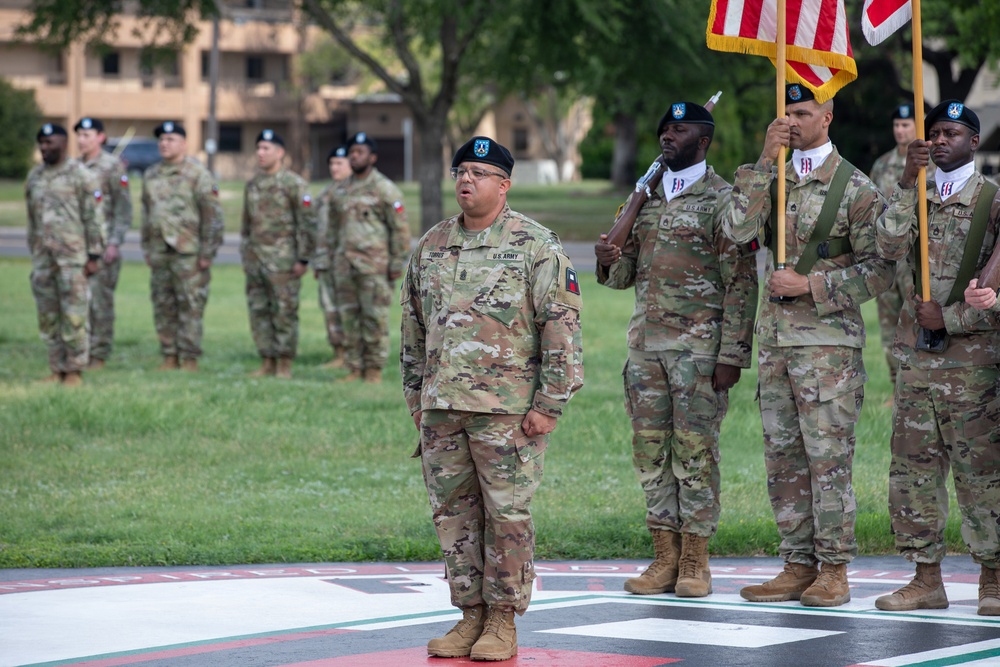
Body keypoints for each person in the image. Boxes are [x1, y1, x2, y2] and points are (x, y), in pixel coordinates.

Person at [401, 137, 583, 660]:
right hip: (442, 409)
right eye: (461, 170)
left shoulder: (535, 246)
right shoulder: (432, 244)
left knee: (506, 515)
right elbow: (413, 328)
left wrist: (549, 405)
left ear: (504, 184)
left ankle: (502, 620)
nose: (466, 180)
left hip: (508, 411)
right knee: (453, 516)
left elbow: (562, 329)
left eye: (480, 172)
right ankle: (469, 616)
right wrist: (416, 398)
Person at [721, 84, 894, 607]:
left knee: (828, 462)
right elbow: (734, 232)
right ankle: (796, 564)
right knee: (784, 461)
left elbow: (882, 269)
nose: (792, 121)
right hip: (777, 344)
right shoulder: (770, 176)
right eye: (786, 113)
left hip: (828, 348)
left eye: (802, 112)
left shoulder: (856, 188)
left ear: (828, 115)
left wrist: (812, 286)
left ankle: (834, 569)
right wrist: (761, 158)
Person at [594, 102, 758, 598]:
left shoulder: (725, 200)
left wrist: (732, 355)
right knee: (650, 453)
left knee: (695, 454)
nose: (668, 134)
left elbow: (742, 282)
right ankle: (663, 557)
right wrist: (607, 262)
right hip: (646, 350)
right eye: (664, 127)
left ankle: (695, 561)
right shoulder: (643, 198)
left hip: (699, 353)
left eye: (680, 128)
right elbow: (623, 277)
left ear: (703, 141)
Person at [872, 100, 1000, 616]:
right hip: (917, 363)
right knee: (913, 472)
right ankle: (926, 579)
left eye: (952, 133)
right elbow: (885, 243)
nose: (941, 140)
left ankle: (992, 579)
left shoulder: (992, 200)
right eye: (935, 133)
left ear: (973, 141)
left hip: (973, 364)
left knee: (982, 473)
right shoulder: (915, 193)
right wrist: (906, 181)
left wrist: (951, 319)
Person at [25, 123, 105, 386]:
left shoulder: (80, 175)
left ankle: (74, 370)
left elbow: (94, 218)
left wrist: (94, 255)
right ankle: (55, 367)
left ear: (63, 143)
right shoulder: (35, 177)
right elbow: (32, 220)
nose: (45, 148)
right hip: (43, 259)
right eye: (42, 143)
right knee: (48, 316)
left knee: (74, 314)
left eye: (50, 142)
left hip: (73, 259)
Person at [140, 121, 223, 372]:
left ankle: (189, 358)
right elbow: (146, 213)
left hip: (189, 252)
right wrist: (146, 247)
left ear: (184, 144)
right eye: (161, 140)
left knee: (190, 304)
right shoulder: (151, 174)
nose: (164, 144)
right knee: (163, 304)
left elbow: (212, 216)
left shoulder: (197, 174)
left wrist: (208, 252)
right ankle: (169, 355)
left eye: (170, 139)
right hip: (159, 251)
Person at [333, 132, 410, 383]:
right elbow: (334, 227)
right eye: (351, 152)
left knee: (373, 318)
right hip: (345, 264)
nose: (354, 156)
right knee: (349, 317)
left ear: (372, 157)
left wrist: (397, 262)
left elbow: (399, 229)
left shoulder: (384, 189)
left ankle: (374, 370)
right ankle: (354, 367)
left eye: (360, 152)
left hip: (374, 266)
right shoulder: (341, 189)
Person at [240, 129, 315, 379]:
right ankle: (266, 359)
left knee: (284, 312)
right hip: (256, 260)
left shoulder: (293, 184)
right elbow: (246, 225)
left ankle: (284, 362)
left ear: (280, 152)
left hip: (284, 261)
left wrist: (303, 258)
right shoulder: (253, 185)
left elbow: (307, 223)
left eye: (266, 148)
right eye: (258, 148)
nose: (260, 153)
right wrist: (246, 254)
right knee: (259, 311)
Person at [74, 117, 133, 370]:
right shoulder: (73, 167)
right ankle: (80, 352)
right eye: (78, 135)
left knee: (100, 303)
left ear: (101, 137)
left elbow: (123, 208)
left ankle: (99, 354)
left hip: (104, 246)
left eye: (87, 134)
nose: (81, 139)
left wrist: (114, 243)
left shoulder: (112, 166)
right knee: (78, 303)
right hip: (77, 248)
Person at [869, 103, 918, 392]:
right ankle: (892, 385)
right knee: (888, 322)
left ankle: (912, 385)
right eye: (897, 126)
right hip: (886, 258)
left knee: (913, 320)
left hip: (912, 258)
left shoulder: (930, 165)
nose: (900, 130)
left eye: (906, 125)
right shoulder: (881, 165)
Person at [314, 145, 351, 369]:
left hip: (346, 262)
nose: (334, 168)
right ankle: (338, 352)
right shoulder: (325, 194)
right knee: (329, 307)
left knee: (348, 308)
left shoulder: (353, 192)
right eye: (332, 163)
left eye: (340, 163)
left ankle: (353, 354)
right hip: (325, 260)